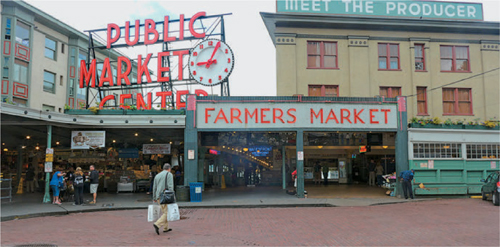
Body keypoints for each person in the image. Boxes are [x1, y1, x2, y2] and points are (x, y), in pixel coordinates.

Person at [152, 163, 175, 235]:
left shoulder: (157, 175)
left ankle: (166, 228)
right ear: (169, 168)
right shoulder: (169, 174)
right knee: (167, 213)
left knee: (164, 211)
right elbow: (170, 186)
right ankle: (157, 224)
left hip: (158, 196)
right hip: (166, 196)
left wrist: (154, 197)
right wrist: (172, 196)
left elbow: (154, 187)